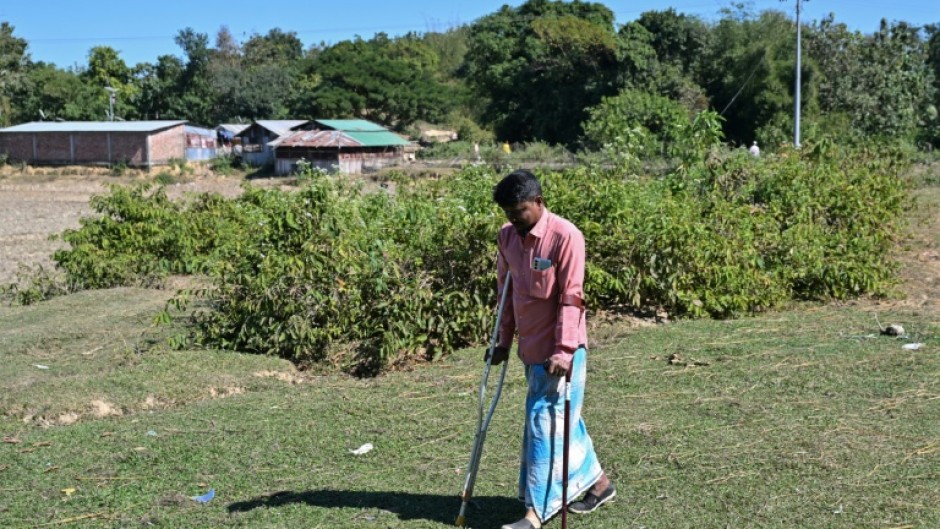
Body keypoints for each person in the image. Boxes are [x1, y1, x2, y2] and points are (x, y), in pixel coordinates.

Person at [488, 169, 615, 529]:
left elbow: (571, 297)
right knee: (564, 422)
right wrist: (502, 341)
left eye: (520, 212)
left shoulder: (566, 236)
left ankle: (536, 513)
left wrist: (563, 349)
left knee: (544, 423)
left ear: (539, 202)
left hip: (562, 353)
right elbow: (506, 292)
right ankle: (600, 486)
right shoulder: (507, 237)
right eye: (508, 214)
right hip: (530, 348)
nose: (514, 220)